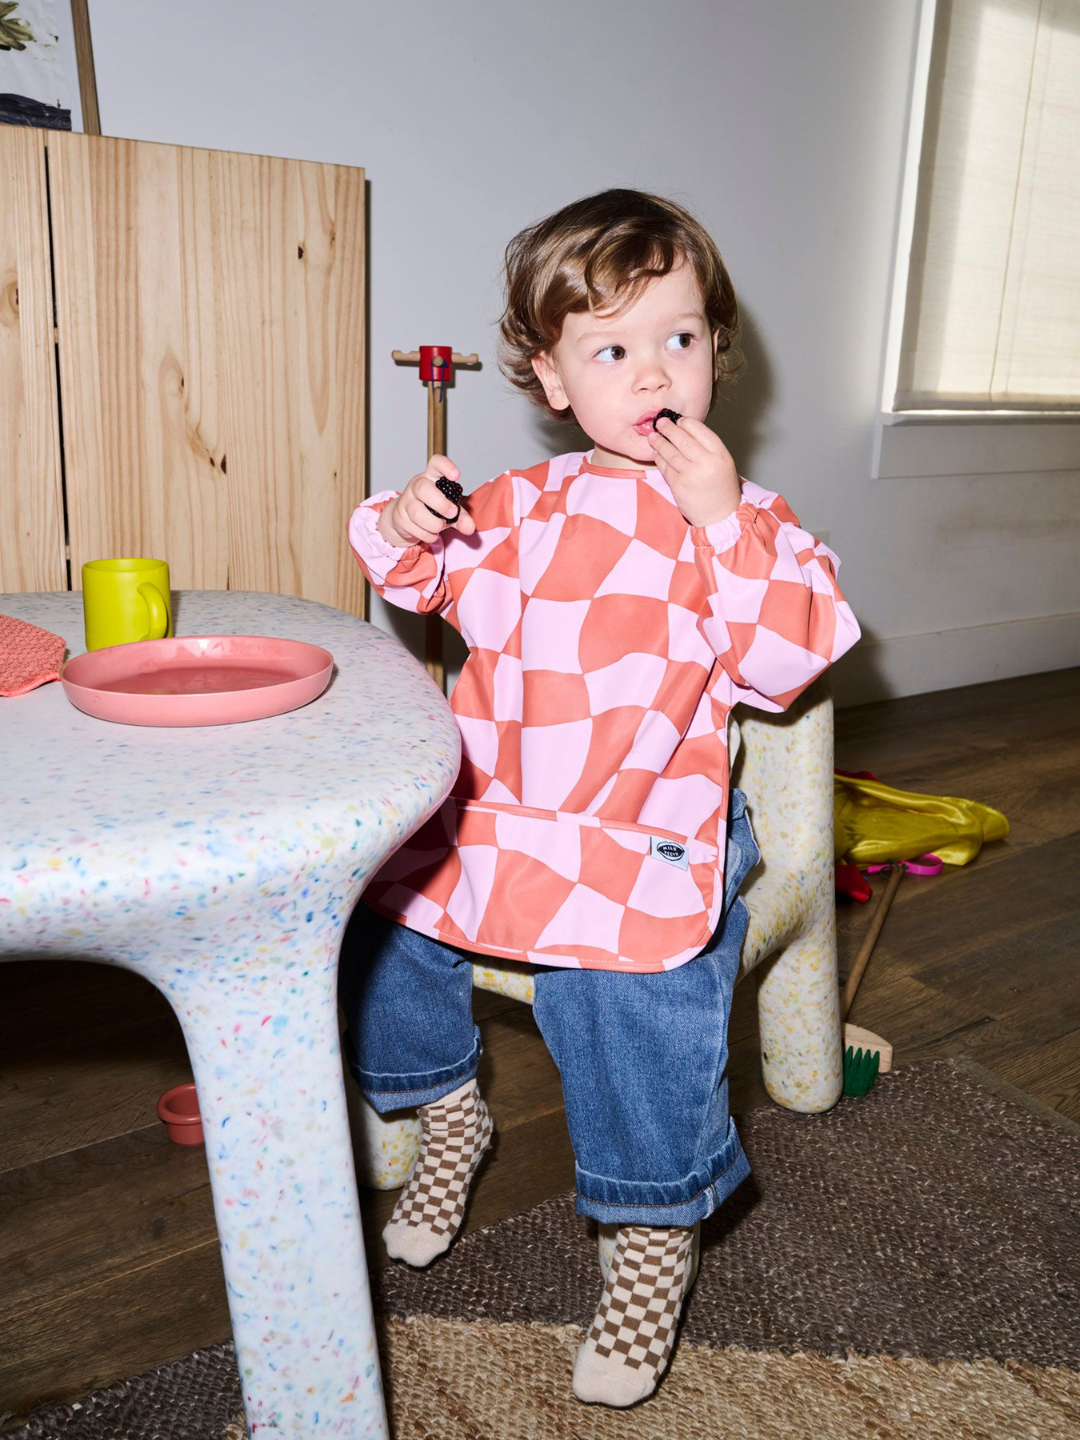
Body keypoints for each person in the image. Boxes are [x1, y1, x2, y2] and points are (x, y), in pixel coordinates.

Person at [341, 188, 861, 1408]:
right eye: (611, 348)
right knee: (370, 915)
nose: (653, 373)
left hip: (647, 829)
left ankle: (650, 1227)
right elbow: (418, 576)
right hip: (497, 812)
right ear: (552, 380)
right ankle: (445, 1104)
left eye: (679, 338)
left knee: (636, 994)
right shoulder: (521, 511)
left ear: (718, 354)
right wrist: (412, 522)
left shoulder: (758, 524)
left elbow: (790, 655)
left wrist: (725, 520)